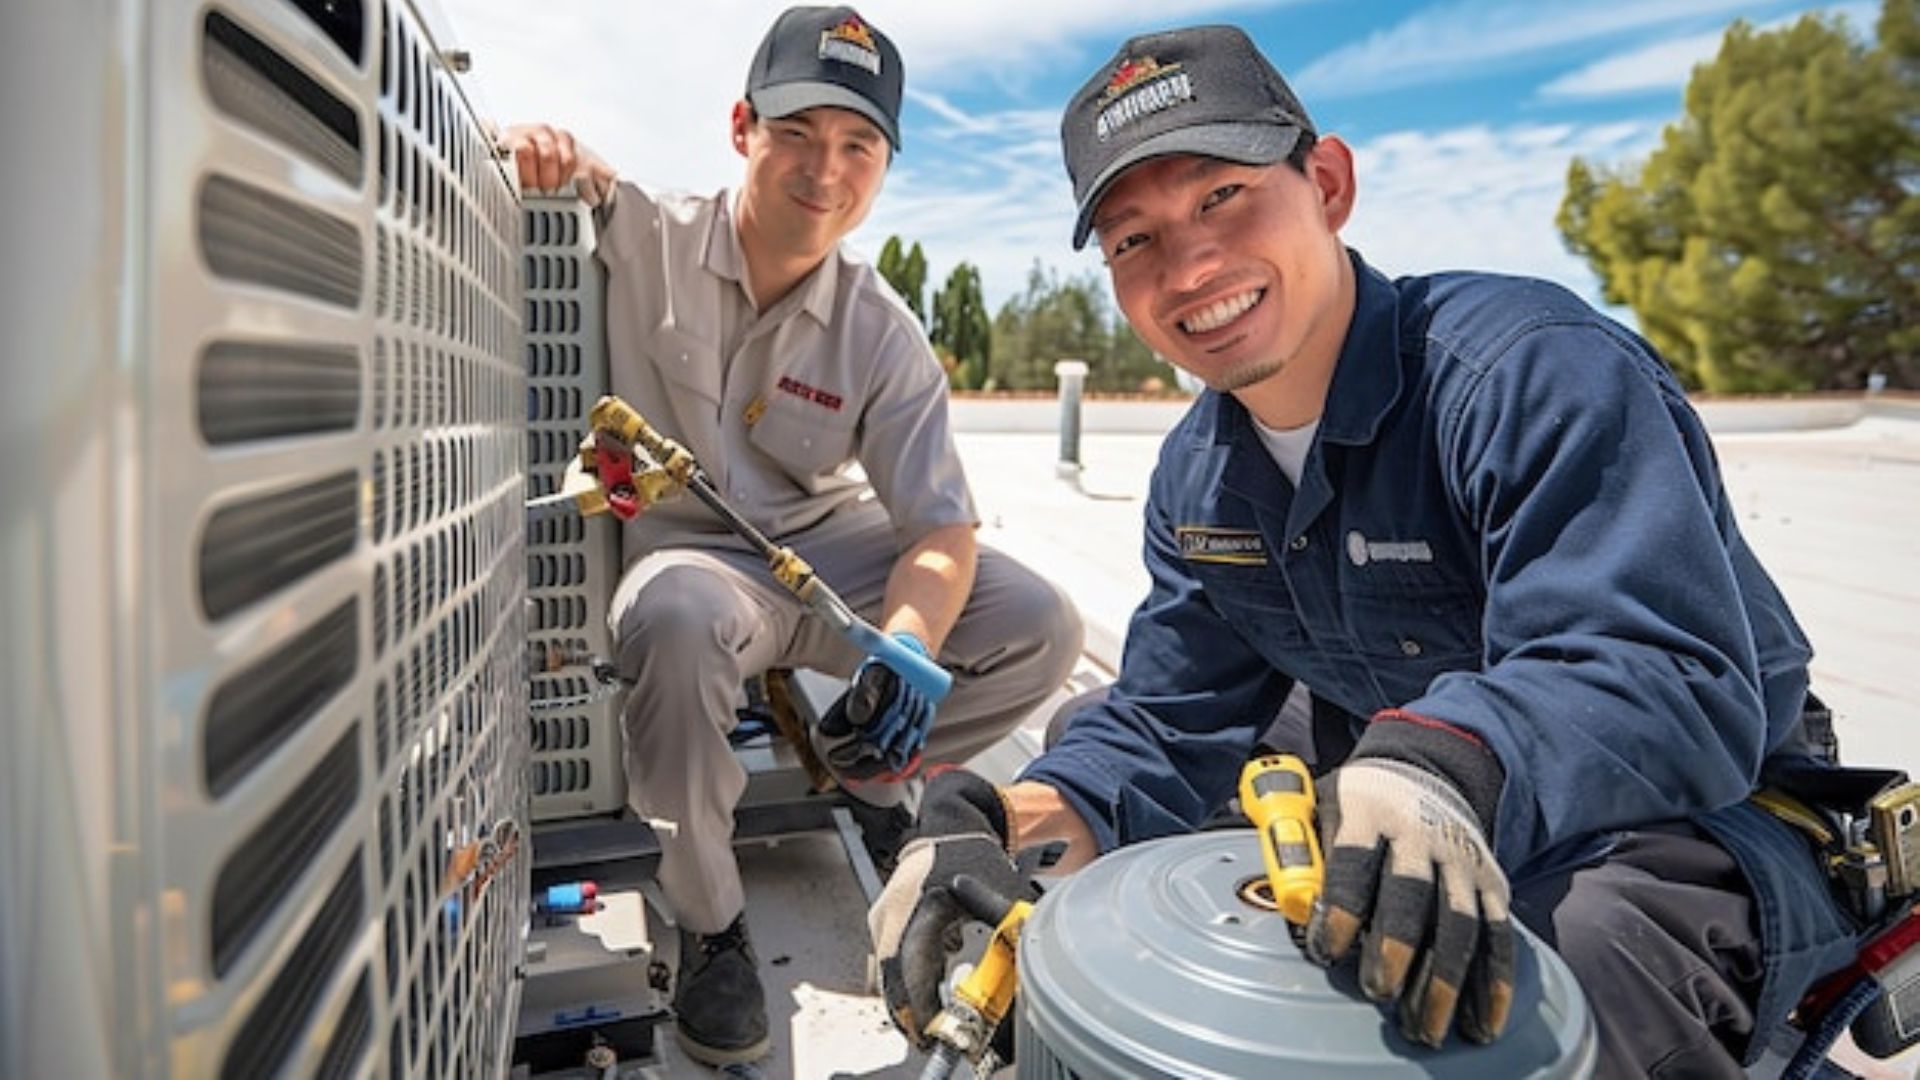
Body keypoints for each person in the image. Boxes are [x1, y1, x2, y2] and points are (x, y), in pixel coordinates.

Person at [870, 25, 1882, 1078]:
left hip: (1699, 812)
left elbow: (1675, 680)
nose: (1191, 263)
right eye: (1134, 240)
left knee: (1548, 967)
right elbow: (1171, 719)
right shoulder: (1198, 475)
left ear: (1329, 183)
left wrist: (1443, 759)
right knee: (1089, 738)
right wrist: (1000, 816)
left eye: (1223, 197)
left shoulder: (1528, 375)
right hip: (1399, 758)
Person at [502, 6, 1082, 1067]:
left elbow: (941, 524)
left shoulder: (882, 331)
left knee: (1040, 623)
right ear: (742, 129)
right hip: (696, 563)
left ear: (886, 164)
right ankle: (711, 916)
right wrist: (534, 147)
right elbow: (552, 175)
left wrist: (901, 648)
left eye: (859, 143)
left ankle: (868, 774)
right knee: (673, 616)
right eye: (799, 133)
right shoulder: (645, 233)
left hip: (825, 565)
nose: (827, 169)